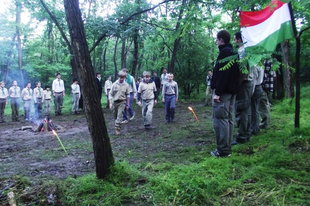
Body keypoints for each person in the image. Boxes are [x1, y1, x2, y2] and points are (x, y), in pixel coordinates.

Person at [210, 30, 240, 157]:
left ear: (221, 40)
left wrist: (218, 92)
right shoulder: (233, 52)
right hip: (231, 92)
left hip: (223, 93)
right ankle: (226, 148)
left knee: (220, 119)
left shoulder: (225, 53)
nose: (216, 42)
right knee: (228, 119)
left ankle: (223, 150)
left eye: (217, 40)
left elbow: (223, 74)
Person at [232, 31, 254, 145]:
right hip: (249, 83)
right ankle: (246, 133)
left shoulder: (242, 51)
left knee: (241, 109)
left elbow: (242, 70)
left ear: (239, 40)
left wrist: (237, 84)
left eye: (235, 39)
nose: (234, 41)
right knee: (246, 109)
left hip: (244, 83)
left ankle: (242, 136)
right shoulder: (249, 51)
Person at [109, 70, 130, 135]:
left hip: (122, 102)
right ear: (118, 77)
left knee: (119, 115)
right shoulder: (114, 84)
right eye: (120, 77)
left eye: (123, 78)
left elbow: (128, 95)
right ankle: (117, 124)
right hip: (115, 102)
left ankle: (117, 129)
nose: (121, 79)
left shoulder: (126, 85)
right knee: (115, 116)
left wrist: (128, 104)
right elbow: (110, 94)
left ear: (124, 78)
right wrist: (110, 103)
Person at [259, 59, 275, 129]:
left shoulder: (266, 61)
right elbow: (274, 75)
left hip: (265, 86)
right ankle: (266, 122)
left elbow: (264, 74)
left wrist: (262, 84)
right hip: (269, 86)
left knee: (263, 105)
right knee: (266, 104)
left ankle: (264, 123)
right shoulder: (270, 61)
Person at [251, 66, 264, 135]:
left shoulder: (254, 66)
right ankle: (255, 127)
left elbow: (254, 80)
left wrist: (251, 92)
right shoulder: (260, 65)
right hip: (259, 87)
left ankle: (254, 129)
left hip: (256, 88)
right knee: (255, 109)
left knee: (254, 110)